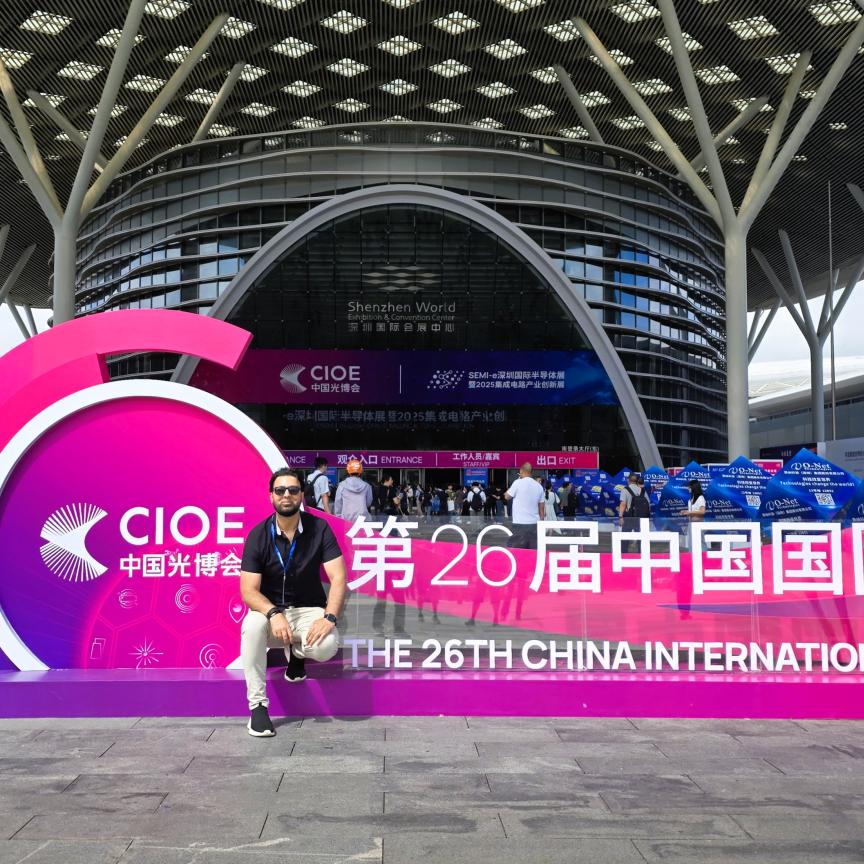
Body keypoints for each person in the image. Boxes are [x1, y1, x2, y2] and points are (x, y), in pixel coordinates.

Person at [240, 468, 346, 737]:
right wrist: (273, 612)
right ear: (271, 497)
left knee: (328, 645)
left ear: (301, 495)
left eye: (293, 490)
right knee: (252, 627)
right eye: (280, 490)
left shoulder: (319, 528)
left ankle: (297, 653)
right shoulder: (258, 535)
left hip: (308, 610)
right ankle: (258, 708)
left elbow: (338, 577)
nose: (286, 495)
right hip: (269, 612)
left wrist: (329, 617)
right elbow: (248, 591)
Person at [504, 463, 545, 548]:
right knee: (533, 552)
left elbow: (507, 496)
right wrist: (541, 523)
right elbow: (541, 509)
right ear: (531, 472)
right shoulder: (539, 486)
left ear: (521, 471)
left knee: (518, 552)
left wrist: (518, 479)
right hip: (534, 524)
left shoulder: (517, 482)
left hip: (519, 523)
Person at [333, 458, 373, 522]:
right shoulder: (367, 486)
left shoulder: (342, 485)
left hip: (346, 519)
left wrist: (338, 517)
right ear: (360, 472)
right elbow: (368, 503)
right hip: (363, 519)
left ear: (348, 471)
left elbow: (338, 503)